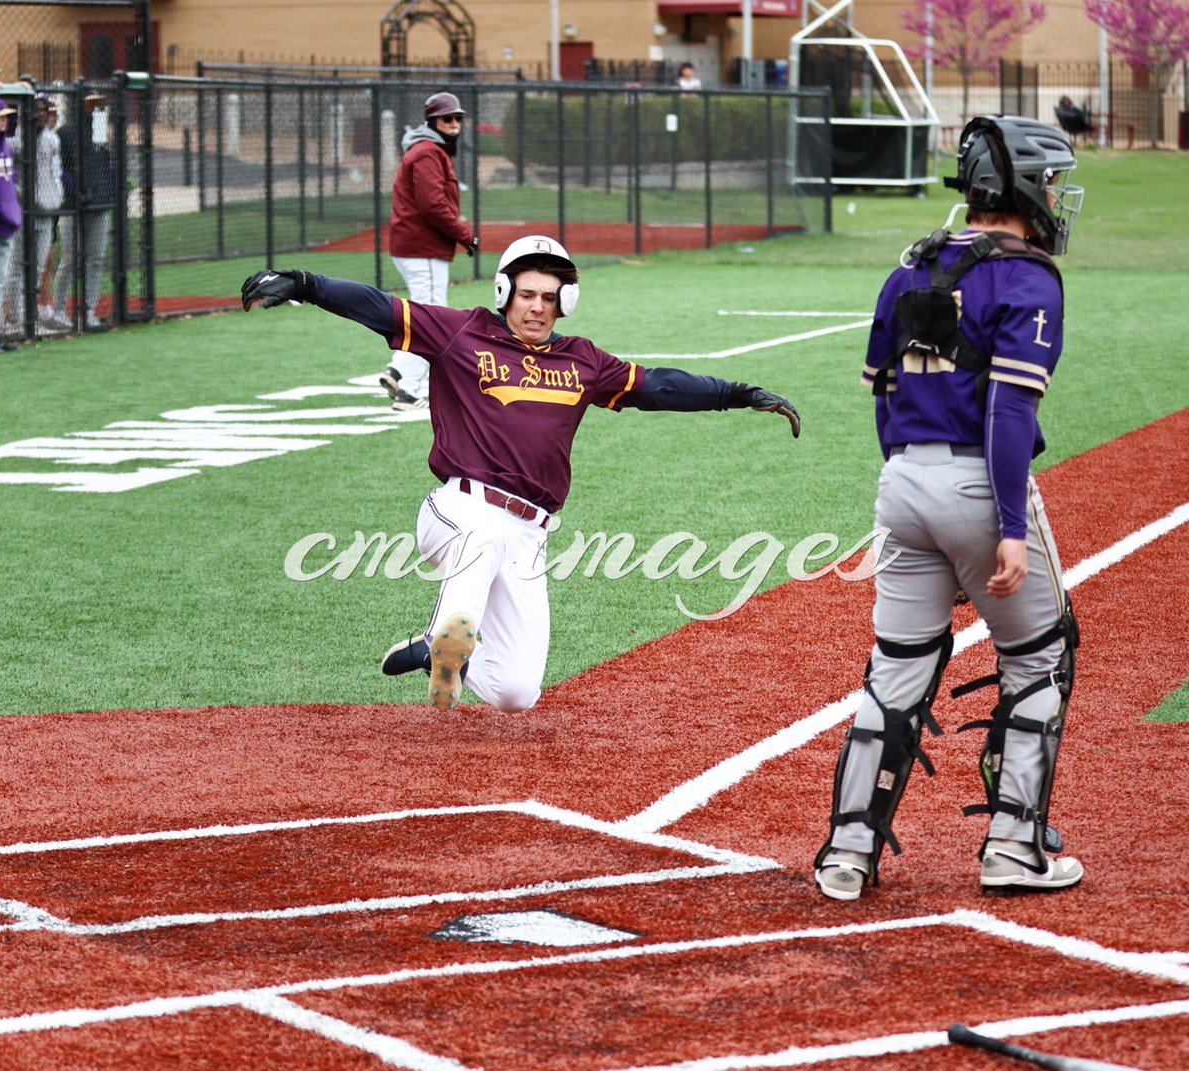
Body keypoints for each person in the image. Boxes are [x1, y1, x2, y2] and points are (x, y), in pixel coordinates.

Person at [242, 234, 801, 713]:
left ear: (567, 304)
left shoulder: (584, 361)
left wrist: (736, 394)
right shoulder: (461, 333)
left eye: (550, 298)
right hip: (457, 511)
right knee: (481, 533)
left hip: (529, 533)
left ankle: (441, 653)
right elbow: (378, 307)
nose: (537, 306)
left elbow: (658, 386)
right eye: (527, 294)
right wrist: (305, 283)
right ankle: (447, 640)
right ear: (505, 293)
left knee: (516, 693)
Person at [812, 115, 1086, 900]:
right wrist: (1004, 529)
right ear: (1024, 186)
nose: (1061, 196)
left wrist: (914, 490)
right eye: (1055, 181)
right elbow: (1008, 414)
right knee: (1039, 658)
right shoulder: (1029, 277)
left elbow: (880, 391)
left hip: (901, 484)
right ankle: (1013, 846)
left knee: (897, 671)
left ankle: (847, 853)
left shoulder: (911, 269)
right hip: (978, 484)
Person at [377, 91, 477, 412]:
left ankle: (398, 369)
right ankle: (409, 390)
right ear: (432, 121)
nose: (454, 124)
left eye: (457, 118)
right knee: (433, 321)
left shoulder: (429, 151)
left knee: (423, 316)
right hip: (424, 248)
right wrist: (465, 235)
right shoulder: (427, 153)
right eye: (447, 119)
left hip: (417, 247)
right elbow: (433, 206)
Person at [48, 91, 113, 331]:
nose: (95, 107)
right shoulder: (64, 134)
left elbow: (106, 163)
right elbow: (60, 171)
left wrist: (106, 190)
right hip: (72, 208)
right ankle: (58, 308)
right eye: (91, 103)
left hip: (100, 204)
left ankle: (88, 311)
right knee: (70, 259)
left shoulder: (99, 132)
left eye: (97, 103)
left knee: (95, 259)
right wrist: (76, 189)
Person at [4, 94, 63, 336]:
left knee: (38, 265)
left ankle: (31, 314)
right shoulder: (14, 140)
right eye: (35, 109)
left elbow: (55, 172)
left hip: (45, 210)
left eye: (43, 109)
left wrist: (56, 196)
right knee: (18, 264)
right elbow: (8, 175)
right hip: (21, 211)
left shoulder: (51, 139)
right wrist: (20, 194)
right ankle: (17, 317)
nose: (40, 114)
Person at [0, 97, 21, 354]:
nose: (5, 120)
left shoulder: (6, 147)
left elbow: (11, 183)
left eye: (6, 116)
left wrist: (13, 212)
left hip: (8, 226)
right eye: (0, 116)